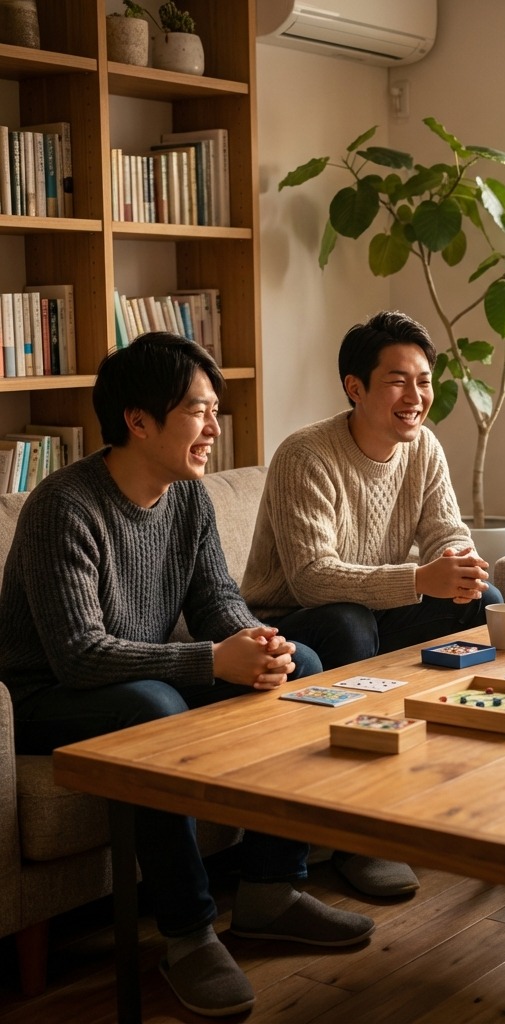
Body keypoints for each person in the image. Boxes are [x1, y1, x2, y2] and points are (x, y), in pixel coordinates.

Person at [0, 333, 377, 1018]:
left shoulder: (188, 500)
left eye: (214, 410)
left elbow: (216, 602)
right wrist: (209, 659)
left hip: (135, 678)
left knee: (305, 667)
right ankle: (188, 933)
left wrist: (253, 640)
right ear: (138, 421)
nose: (214, 427)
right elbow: (79, 652)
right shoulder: (64, 506)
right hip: (43, 698)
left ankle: (271, 889)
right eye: (198, 411)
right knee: (154, 707)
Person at [242, 309, 503, 897]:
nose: (417, 396)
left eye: (424, 380)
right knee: (351, 626)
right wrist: (418, 580)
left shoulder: (424, 448)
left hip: (375, 609)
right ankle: (355, 839)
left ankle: (436, 795)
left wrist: (460, 566)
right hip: (295, 619)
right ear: (354, 388)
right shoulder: (304, 454)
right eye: (398, 381)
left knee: (483, 603)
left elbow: (444, 531)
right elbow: (311, 578)